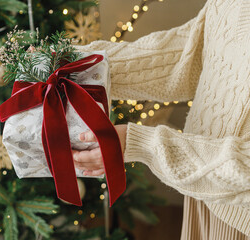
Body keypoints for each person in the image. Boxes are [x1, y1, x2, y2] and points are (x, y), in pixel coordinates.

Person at [72, 0, 250, 239]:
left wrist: (142, 144)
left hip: (239, 214)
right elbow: (192, 53)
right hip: (204, 194)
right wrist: (79, 65)